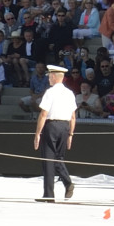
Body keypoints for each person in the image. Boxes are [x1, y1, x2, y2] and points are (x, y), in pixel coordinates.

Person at [33, 65, 76, 203]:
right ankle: (67, 182)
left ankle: (49, 194)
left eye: (49, 77)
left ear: (53, 76)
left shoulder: (50, 92)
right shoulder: (69, 93)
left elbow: (43, 114)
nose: (48, 79)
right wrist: (71, 134)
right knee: (58, 158)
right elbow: (73, 116)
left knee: (48, 160)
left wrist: (37, 133)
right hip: (65, 126)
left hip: (51, 126)